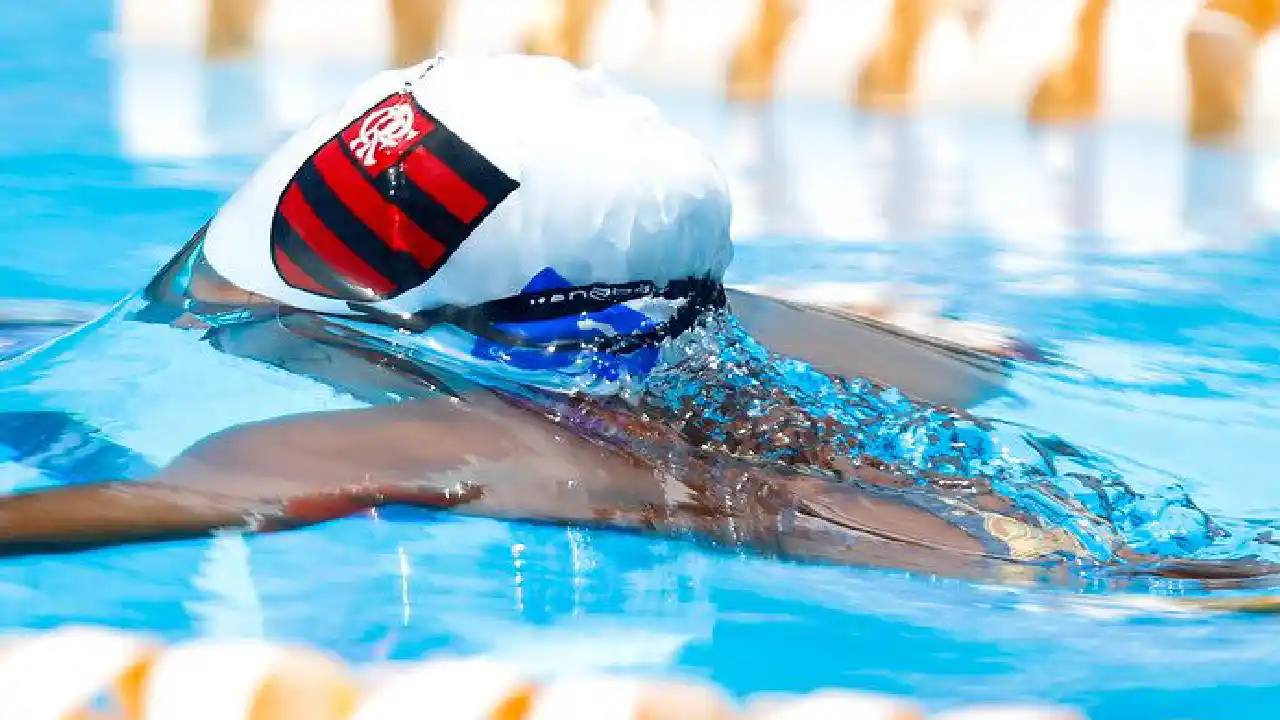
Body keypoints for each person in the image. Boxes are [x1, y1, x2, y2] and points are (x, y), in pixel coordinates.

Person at [0, 53, 1267, 587]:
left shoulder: (387, 451)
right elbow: (1009, 356)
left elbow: (145, 509)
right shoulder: (807, 341)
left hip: (1109, 605)